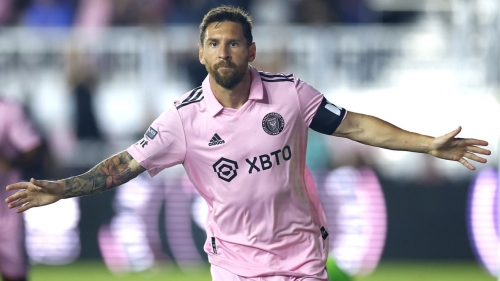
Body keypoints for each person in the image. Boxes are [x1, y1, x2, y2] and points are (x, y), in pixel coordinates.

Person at [5, 5, 491, 281]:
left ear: (251, 50)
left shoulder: (290, 94)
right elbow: (126, 163)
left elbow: (356, 126)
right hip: (235, 265)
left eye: (234, 43)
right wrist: (62, 188)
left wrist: (428, 145)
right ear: (200, 53)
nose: (224, 52)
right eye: (214, 43)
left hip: (302, 258)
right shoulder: (183, 118)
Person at [0, 98, 42, 281]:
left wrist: (9, 163)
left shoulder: (8, 110)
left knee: (15, 274)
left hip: (6, 207)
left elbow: (32, 147)